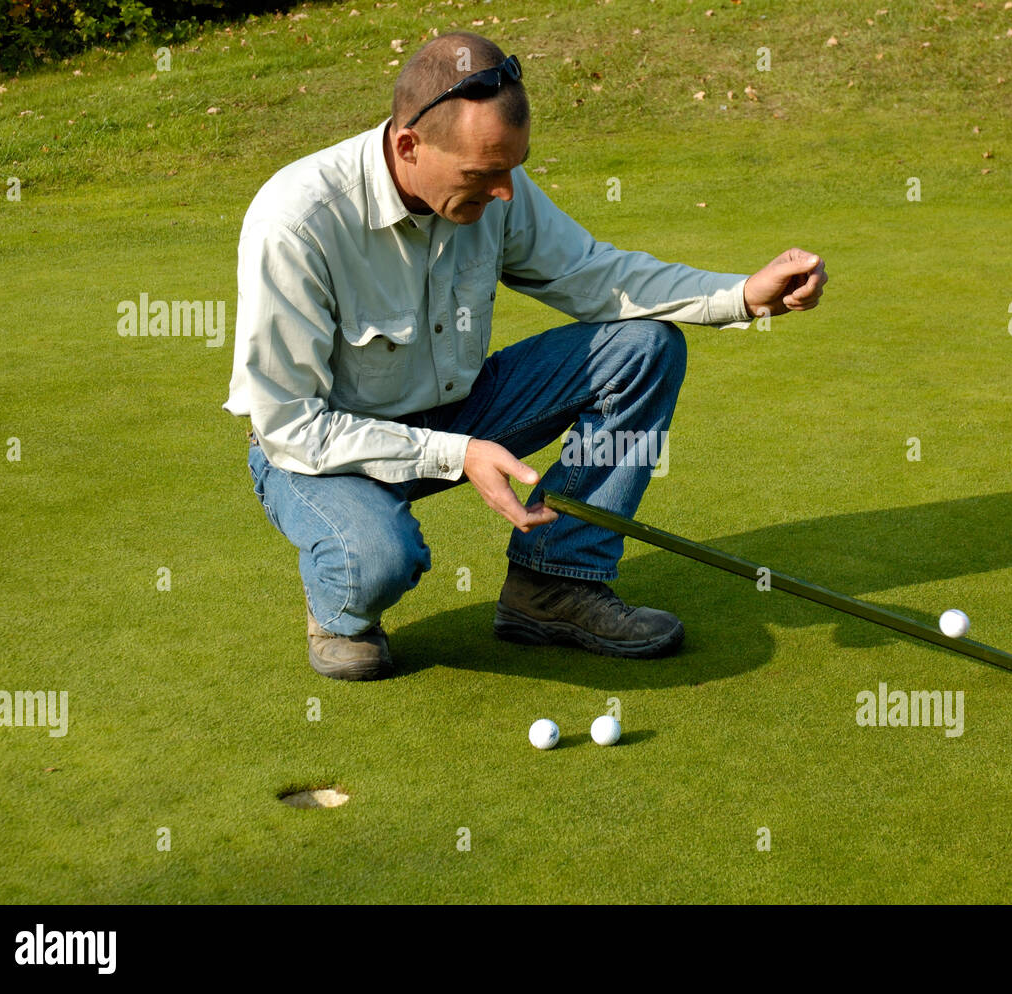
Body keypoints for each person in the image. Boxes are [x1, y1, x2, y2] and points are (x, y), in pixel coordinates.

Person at [224, 32, 826, 681]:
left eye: (513, 168)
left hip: (459, 412)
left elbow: (596, 274)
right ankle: (340, 605)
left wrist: (740, 294)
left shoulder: (495, 189)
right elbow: (291, 425)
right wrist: (458, 455)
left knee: (643, 347)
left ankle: (552, 583)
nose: (506, 193)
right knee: (377, 560)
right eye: (484, 174)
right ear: (408, 147)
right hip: (319, 453)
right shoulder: (297, 223)